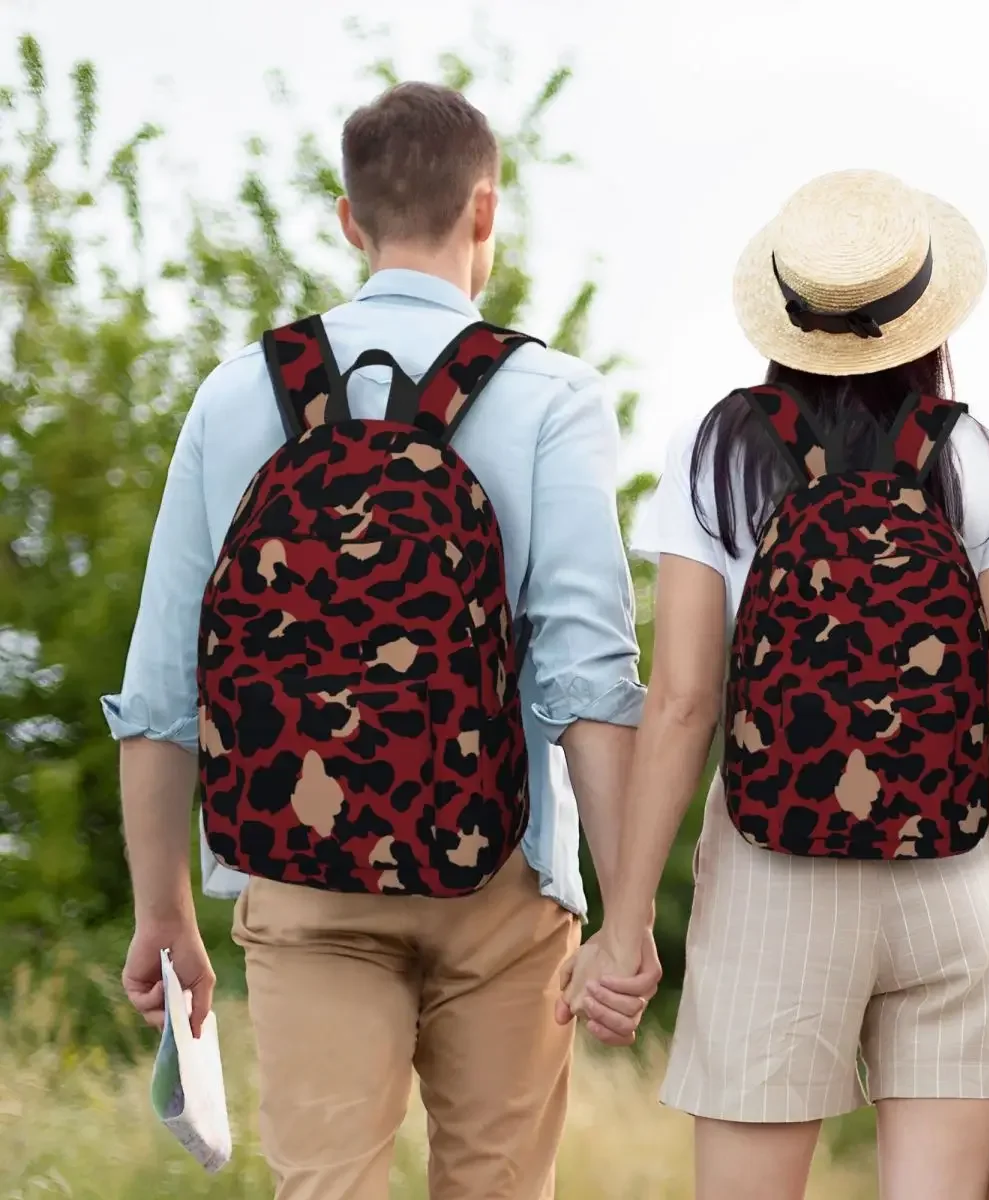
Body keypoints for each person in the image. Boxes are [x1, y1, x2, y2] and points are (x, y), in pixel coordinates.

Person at [104, 81, 660, 1200]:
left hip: (301, 879)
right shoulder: (550, 395)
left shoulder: (236, 396)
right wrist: (627, 914)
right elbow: (588, 679)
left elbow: (163, 684)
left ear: (350, 220)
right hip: (501, 873)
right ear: (486, 212)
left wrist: (162, 910)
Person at [561, 169, 989, 1200]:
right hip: (953, 882)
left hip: (773, 879)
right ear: (925, 316)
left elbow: (682, 705)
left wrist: (623, 926)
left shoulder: (717, 451)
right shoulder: (973, 456)